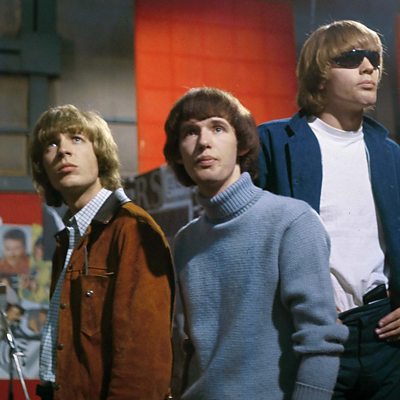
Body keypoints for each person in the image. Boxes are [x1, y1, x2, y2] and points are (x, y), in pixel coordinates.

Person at [163, 87, 348, 399]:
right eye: (190, 132)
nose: (204, 142)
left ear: (241, 142)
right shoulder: (185, 241)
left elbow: (321, 341)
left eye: (217, 128)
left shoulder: (291, 221)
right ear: (179, 153)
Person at [256, 20, 400, 400]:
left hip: (385, 332)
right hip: (312, 329)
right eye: (353, 58)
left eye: (374, 58)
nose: (369, 67)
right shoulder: (272, 142)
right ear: (320, 75)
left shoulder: (390, 154)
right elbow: (252, 240)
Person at [29, 104, 174, 400]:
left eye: (76, 139)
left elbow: (144, 361)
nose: (63, 151)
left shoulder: (131, 229)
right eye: (51, 144)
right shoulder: (68, 240)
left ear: (100, 154)